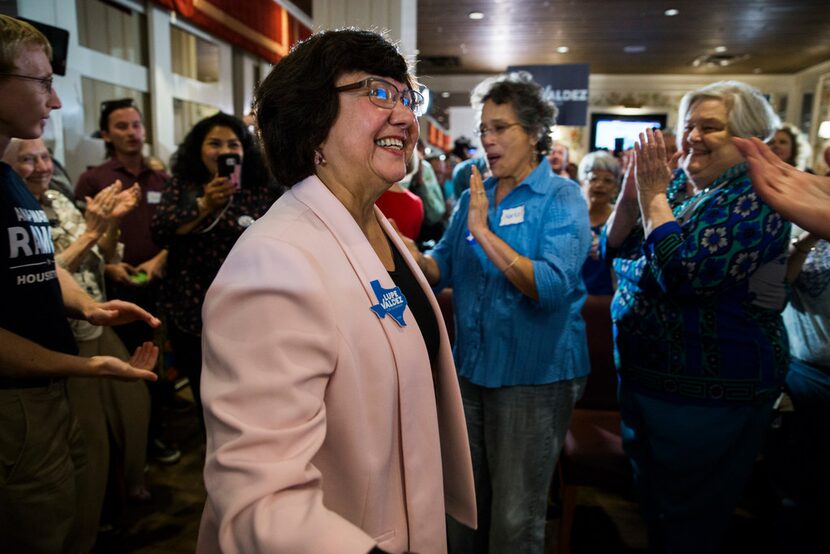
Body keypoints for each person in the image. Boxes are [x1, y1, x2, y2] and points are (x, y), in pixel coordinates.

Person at [196, 29, 476, 553]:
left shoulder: (373, 223)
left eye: (405, 96)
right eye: (377, 92)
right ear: (313, 121)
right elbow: (262, 501)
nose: (405, 117)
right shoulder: (274, 262)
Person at [401, 71, 591, 553]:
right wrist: (404, 252)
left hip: (535, 375)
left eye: (501, 127)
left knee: (514, 516)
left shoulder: (562, 197)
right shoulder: (472, 195)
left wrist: (485, 233)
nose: (487, 138)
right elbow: (440, 265)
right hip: (471, 371)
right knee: (464, 504)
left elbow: (549, 287)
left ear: (532, 134)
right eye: (484, 128)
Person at [603, 81, 790, 553]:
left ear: (750, 139)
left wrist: (653, 198)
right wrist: (632, 195)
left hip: (708, 398)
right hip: (652, 383)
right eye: (688, 126)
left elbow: (684, 275)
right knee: (659, 510)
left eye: (711, 127)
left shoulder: (755, 197)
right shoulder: (688, 193)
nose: (692, 137)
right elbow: (611, 250)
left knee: (690, 520)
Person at [0, 15, 159, 552]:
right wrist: (86, 365)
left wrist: (89, 309)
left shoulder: (5, 178)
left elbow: (43, 267)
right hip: (15, 402)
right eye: (42, 83)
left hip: (45, 392)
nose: (55, 102)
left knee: (68, 519)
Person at [151, 112, 279, 425]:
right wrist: (204, 205)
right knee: (208, 395)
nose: (225, 152)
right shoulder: (183, 187)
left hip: (253, 312)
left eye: (233, 144)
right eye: (215, 144)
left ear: (244, 150)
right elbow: (160, 230)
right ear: (198, 149)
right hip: (195, 312)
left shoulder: (260, 186)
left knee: (255, 394)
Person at [75, 98, 178, 463]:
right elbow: (79, 237)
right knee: (128, 370)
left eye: (136, 124)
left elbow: (176, 232)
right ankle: (134, 446)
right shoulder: (94, 179)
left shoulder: (163, 180)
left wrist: (159, 259)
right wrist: (107, 268)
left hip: (161, 286)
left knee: (161, 365)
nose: (132, 133)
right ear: (106, 134)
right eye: (122, 126)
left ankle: (157, 435)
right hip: (115, 294)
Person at [734, 137, 830, 241]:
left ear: (794, 148)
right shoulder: (750, 178)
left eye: (783, 141)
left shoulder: (809, 178)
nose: (776, 145)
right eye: (772, 142)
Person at [577, 150, 620, 294]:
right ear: (582, 182)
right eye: (593, 178)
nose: (600, 185)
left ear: (616, 188)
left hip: (609, 300)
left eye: (608, 180)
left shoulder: (621, 220)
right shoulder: (570, 217)